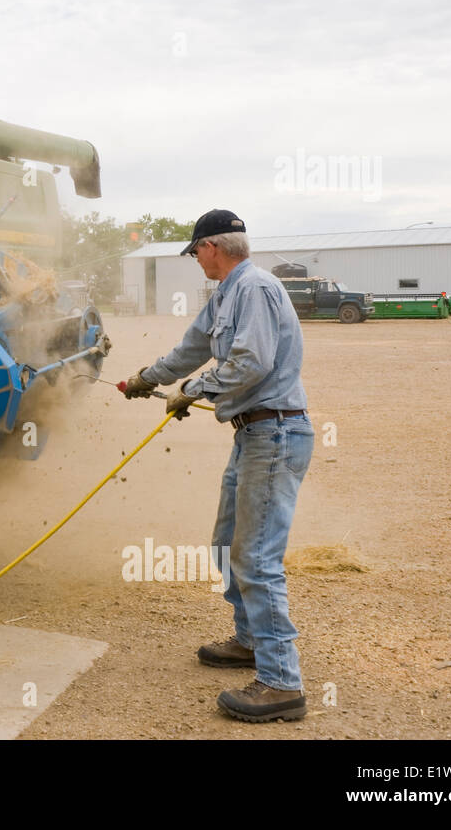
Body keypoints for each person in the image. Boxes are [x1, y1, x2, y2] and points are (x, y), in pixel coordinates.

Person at [124, 209, 314, 722]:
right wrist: (146, 378)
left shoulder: (254, 288)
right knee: (227, 544)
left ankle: (281, 683)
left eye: (196, 253)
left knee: (254, 556)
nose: (196, 263)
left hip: (275, 432)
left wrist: (192, 390)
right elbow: (191, 348)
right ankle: (251, 641)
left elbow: (251, 362)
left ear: (211, 246)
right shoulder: (228, 293)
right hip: (254, 432)